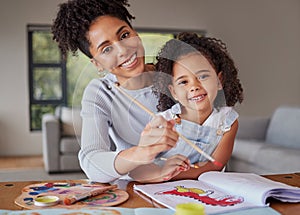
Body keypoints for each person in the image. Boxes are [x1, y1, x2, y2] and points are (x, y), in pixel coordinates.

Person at [51, 0, 189, 183]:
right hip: (140, 188)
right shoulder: (101, 93)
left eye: (124, 35)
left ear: (136, 34)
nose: (123, 50)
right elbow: (91, 161)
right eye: (106, 49)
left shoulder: (177, 74)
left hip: (192, 180)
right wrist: (141, 153)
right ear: (97, 63)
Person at [148, 32, 244, 180]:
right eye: (183, 82)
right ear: (173, 92)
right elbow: (141, 169)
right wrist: (160, 173)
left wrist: (172, 174)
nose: (194, 87)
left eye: (203, 76)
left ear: (219, 81)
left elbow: (215, 165)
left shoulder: (227, 122)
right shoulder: (162, 122)